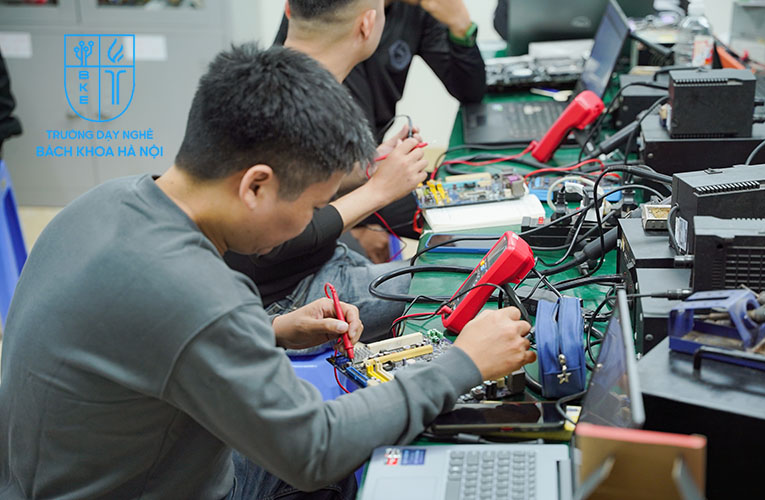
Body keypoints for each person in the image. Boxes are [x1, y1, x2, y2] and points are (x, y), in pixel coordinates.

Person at [0, 43, 536, 499]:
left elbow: (146, 336)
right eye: (312, 207)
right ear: (256, 185)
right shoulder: (198, 292)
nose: (311, 225)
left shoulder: (104, 201)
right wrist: (463, 364)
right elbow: (315, 452)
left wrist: (272, 328)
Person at [226, 0, 434, 340]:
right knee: (462, 278)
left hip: (310, 265)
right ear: (368, 24)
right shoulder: (293, 110)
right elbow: (271, 243)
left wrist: (367, 168)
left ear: (288, 10)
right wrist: (378, 190)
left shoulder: (268, 84)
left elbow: (294, 190)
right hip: (288, 300)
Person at [275, 0, 487, 246]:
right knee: (459, 233)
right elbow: (283, 238)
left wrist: (461, 25)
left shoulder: (411, 12)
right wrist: (368, 204)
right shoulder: (325, 16)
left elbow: (470, 91)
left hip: (351, 172)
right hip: (334, 191)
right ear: (368, 24)